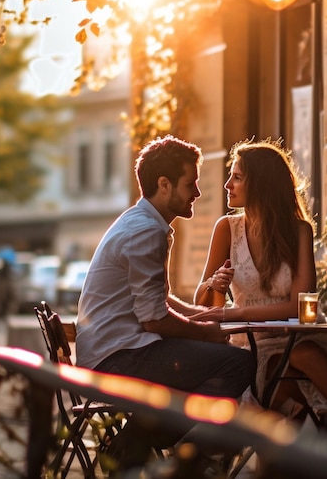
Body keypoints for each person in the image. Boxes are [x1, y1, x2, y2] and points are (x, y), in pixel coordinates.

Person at [75, 135, 256, 469]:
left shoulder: (141, 222)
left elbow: (157, 301)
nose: (198, 194)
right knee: (237, 364)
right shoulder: (146, 230)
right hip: (117, 360)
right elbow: (155, 320)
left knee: (218, 363)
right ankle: (164, 453)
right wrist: (206, 333)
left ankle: (141, 437)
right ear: (164, 184)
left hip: (115, 352)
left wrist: (201, 314)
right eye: (191, 184)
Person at [191, 138, 327, 422]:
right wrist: (213, 285)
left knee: (304, 356)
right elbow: (203, 305)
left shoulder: (299, 231)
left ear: (261, 184)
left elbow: (299, 305)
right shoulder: (227, 229)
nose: (228, 184)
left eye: (237, 177)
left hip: (300, 336)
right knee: (289, 379)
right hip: (251, 345)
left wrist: (236, 311)